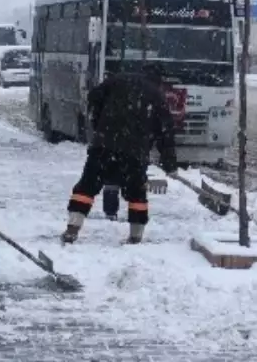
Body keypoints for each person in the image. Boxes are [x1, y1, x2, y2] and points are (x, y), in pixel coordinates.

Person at [61, 66, 178, 245]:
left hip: (104, 145)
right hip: (135, 152)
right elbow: (165, 131)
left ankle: (72, 228)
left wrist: (100, 122)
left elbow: (93, 97)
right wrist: (170, 163)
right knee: (137, 193)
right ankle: (136, 235)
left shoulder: (116, 80)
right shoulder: (155, 95)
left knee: (88, 185)